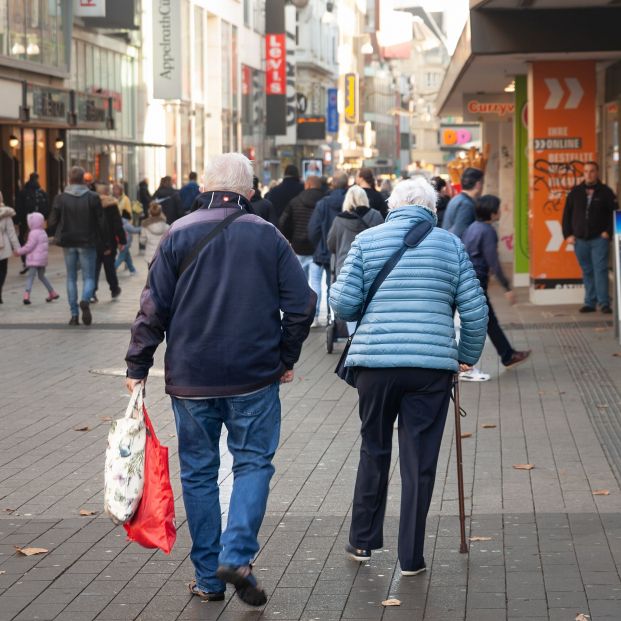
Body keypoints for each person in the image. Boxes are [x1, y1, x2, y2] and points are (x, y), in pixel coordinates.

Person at [125, 153, 316, 606]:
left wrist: (138, 366)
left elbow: (153, 307)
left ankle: (209, 578)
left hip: (191, 377)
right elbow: (303, 304)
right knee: (252, 463)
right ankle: (237, 555)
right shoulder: (267, 235)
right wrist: (284, 356)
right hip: (254, 374)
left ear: (203, 187)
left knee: (199, 472)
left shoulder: (177, 233)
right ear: (249, 191)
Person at [329, 177, 488, 577]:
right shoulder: (450, 245)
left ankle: (363, 541)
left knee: (374, 447)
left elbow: (344, 304)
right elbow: (475, 311)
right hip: (429, 369)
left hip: (375, 367)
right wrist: (464, 357)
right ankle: (411, 557)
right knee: (419, 462)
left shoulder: (367, 241)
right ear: (432, 210)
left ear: (391, 207)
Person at [462, 195, 531, 371]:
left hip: (468, 280)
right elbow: (494, 261)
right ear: (492, 213)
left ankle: (508, 354)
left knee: (487, 320)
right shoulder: (487, 231)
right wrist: (506, 287)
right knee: (484, 321)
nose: (500, 212)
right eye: (498, 209)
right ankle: (469, 363)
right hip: (476, 282)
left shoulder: (473, 227)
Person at [47, 166, 105, 326]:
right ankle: (85, 300)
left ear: (69, 179)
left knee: (71, 277)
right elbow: (101, 222)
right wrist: (105, 242)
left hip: (68, 241)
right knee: (89, 276)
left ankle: (74, 315)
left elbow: (52, 221)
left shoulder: (60, 198)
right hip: (88, 241)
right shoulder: (93, 197)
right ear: (83, 179)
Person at [327, 185, 384, 334]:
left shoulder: (339, 220)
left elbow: (331, 244)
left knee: (351, 304)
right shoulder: (376, 216)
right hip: (372, 267)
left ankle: (352, 338)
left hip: (345, 268)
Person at [562, 161, 617, 314]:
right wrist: (568, 235)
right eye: (586, 171)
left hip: (600, 239)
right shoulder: (575, 192)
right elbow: (567, 215)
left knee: (600, 270)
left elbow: (615, 214)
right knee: (587, 271)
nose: (589, 174)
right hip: (580, 239)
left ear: (597, 172)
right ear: (583, 173)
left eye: (592, 171)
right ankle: (590, 303)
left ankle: (604, 303)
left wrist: (609, 232)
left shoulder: (606, 192)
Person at [307, 171, 348, 326]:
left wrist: (319, 245)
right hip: (343, 251)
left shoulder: (323, 203)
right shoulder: (349, 202)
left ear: (332, 184)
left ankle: (316, 317)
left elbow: (313, 229)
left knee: (316, 283)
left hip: (323, 251)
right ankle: (335, 320)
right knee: (335, 285)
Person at [279, 175, 325, 277]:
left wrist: (290, 239)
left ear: (308, 184)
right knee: (316, 282)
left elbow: (283, 222)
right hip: (318, 247)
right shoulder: (325, 202)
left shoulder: (295, 201)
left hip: (298, 246)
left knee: (300, 281)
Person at [14, 212, 59, 305]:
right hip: (42, 260)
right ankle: (52, 292)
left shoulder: (33, 233)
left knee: (30, 277)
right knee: (42, 276)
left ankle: (26, 295)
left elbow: (29, 246)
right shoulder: (43, 232)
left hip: (34, 260)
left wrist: (19, 251)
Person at [94, 184, 126, 301]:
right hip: (109, 241)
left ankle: (92, 292)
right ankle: (114, 289)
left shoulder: (92, 204)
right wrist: (122, 240)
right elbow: (118, 224)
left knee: (95, 268)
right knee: (109, 267)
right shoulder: (112, 205)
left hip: (95, 242)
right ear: (107, 192)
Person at [15, 172, 50, 273]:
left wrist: (18, 221)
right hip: (39, 222)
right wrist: (44, 219)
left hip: (26, 221)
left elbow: (19, 207)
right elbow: (47, 207)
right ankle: (37, 262)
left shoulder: (23, 192)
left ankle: (26, 261)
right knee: (38, 242)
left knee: (24, 240)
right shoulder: (42, 193)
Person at [442, 167, 484, 238]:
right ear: (478, 184)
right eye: (483, 183)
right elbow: (459, 234)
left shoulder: (456, 199)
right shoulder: (466, 204)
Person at [0, 192, 20, 303]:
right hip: (3, 247)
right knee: (3, 270)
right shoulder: (6, 213)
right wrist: (17, 248)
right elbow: (11, 233)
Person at [116, 210, 141, 276]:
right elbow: (134, 230)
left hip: (122, 244)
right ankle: (112, 270)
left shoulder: (120, 223)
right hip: (125, 244)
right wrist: (142, 228)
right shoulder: (127, 225)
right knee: (121, 258)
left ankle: (132, 270)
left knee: (128, 258)